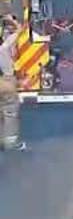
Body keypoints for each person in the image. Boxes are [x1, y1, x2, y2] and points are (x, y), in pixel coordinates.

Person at [0, 15, 25, 151]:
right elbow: (20, 30)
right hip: (5, 81)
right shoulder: (4, 48)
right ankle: (10, 142)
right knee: (9, 111)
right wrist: (11, 20)